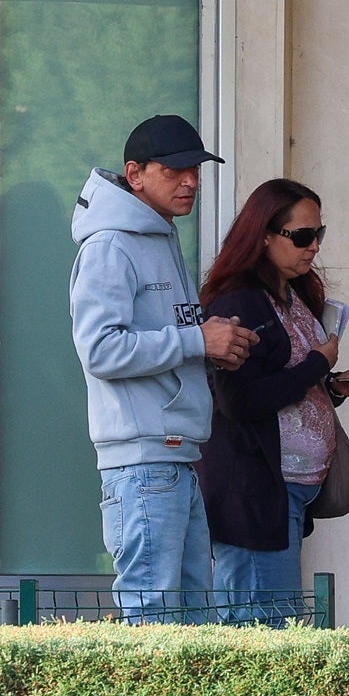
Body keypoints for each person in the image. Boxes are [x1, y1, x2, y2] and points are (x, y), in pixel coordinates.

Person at [70, 115, 258, 622]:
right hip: (142, 462)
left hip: (173, 457)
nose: (191, 180)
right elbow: (100, 350)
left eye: (195, 168)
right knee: (154, 628)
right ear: (135, 174)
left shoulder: (157, 234)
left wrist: (213, 343)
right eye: (174, 170)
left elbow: (158, 337)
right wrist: (198, 339)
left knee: (192, 630)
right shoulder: (110, 244)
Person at [194, 179, 349, 625]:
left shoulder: (292, 294)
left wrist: (331, 386)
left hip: (286, 493)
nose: (313, 247)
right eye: (302, 236)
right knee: (261, 631)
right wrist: (315, 368)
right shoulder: (239, 302)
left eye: (319, 234)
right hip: (253, 493)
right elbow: (239, 401)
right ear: (264, 235)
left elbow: (287, 392)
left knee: (275, 624)